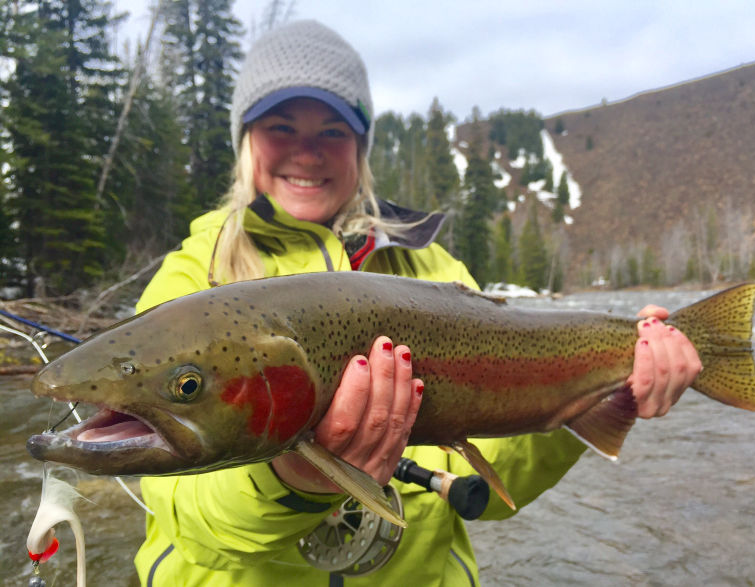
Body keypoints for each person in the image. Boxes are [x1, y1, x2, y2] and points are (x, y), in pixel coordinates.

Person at [133, 20, 702, 586]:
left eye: (333, 131)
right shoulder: (192, 286)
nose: (307, 152)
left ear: (360, 146)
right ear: (245, 139)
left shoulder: (434, 273)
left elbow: (490, 487)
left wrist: (597, 396)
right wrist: (295, 481)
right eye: (282, 127)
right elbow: (187, 515)